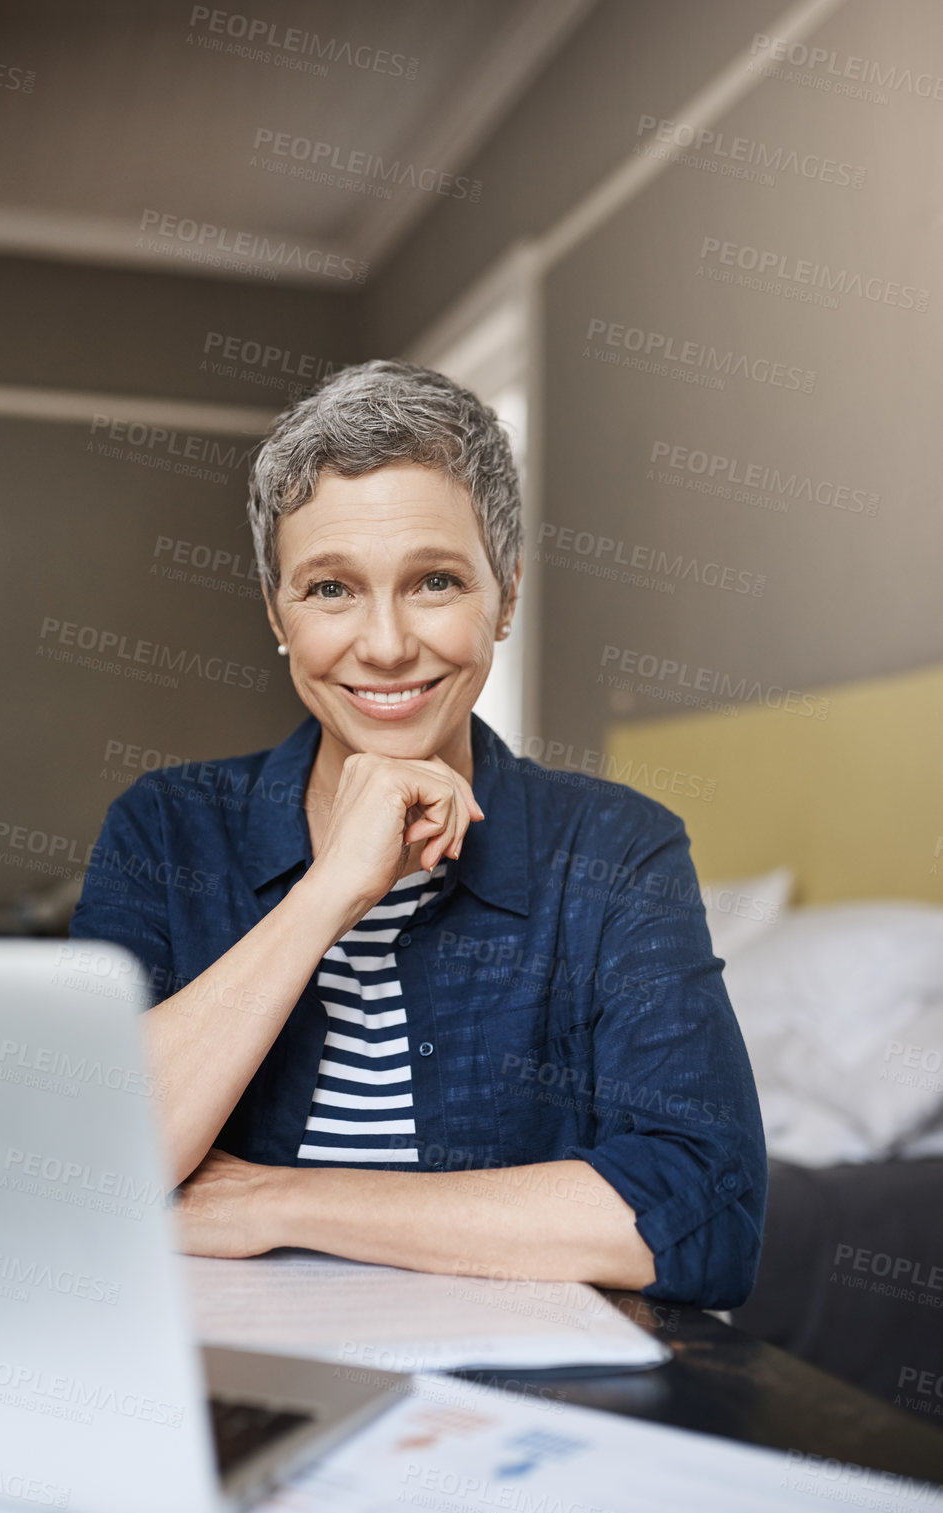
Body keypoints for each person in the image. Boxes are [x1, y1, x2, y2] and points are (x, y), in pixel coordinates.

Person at [70, 360, 767, 1308]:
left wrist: (282, 1201)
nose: (387, 643)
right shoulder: (166, 826)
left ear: (505, 597)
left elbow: (703, 1210)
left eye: (434, 580)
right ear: (277, 611)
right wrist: (328, 894)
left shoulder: (614, 849)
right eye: (330, 589)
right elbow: (84, 1160)